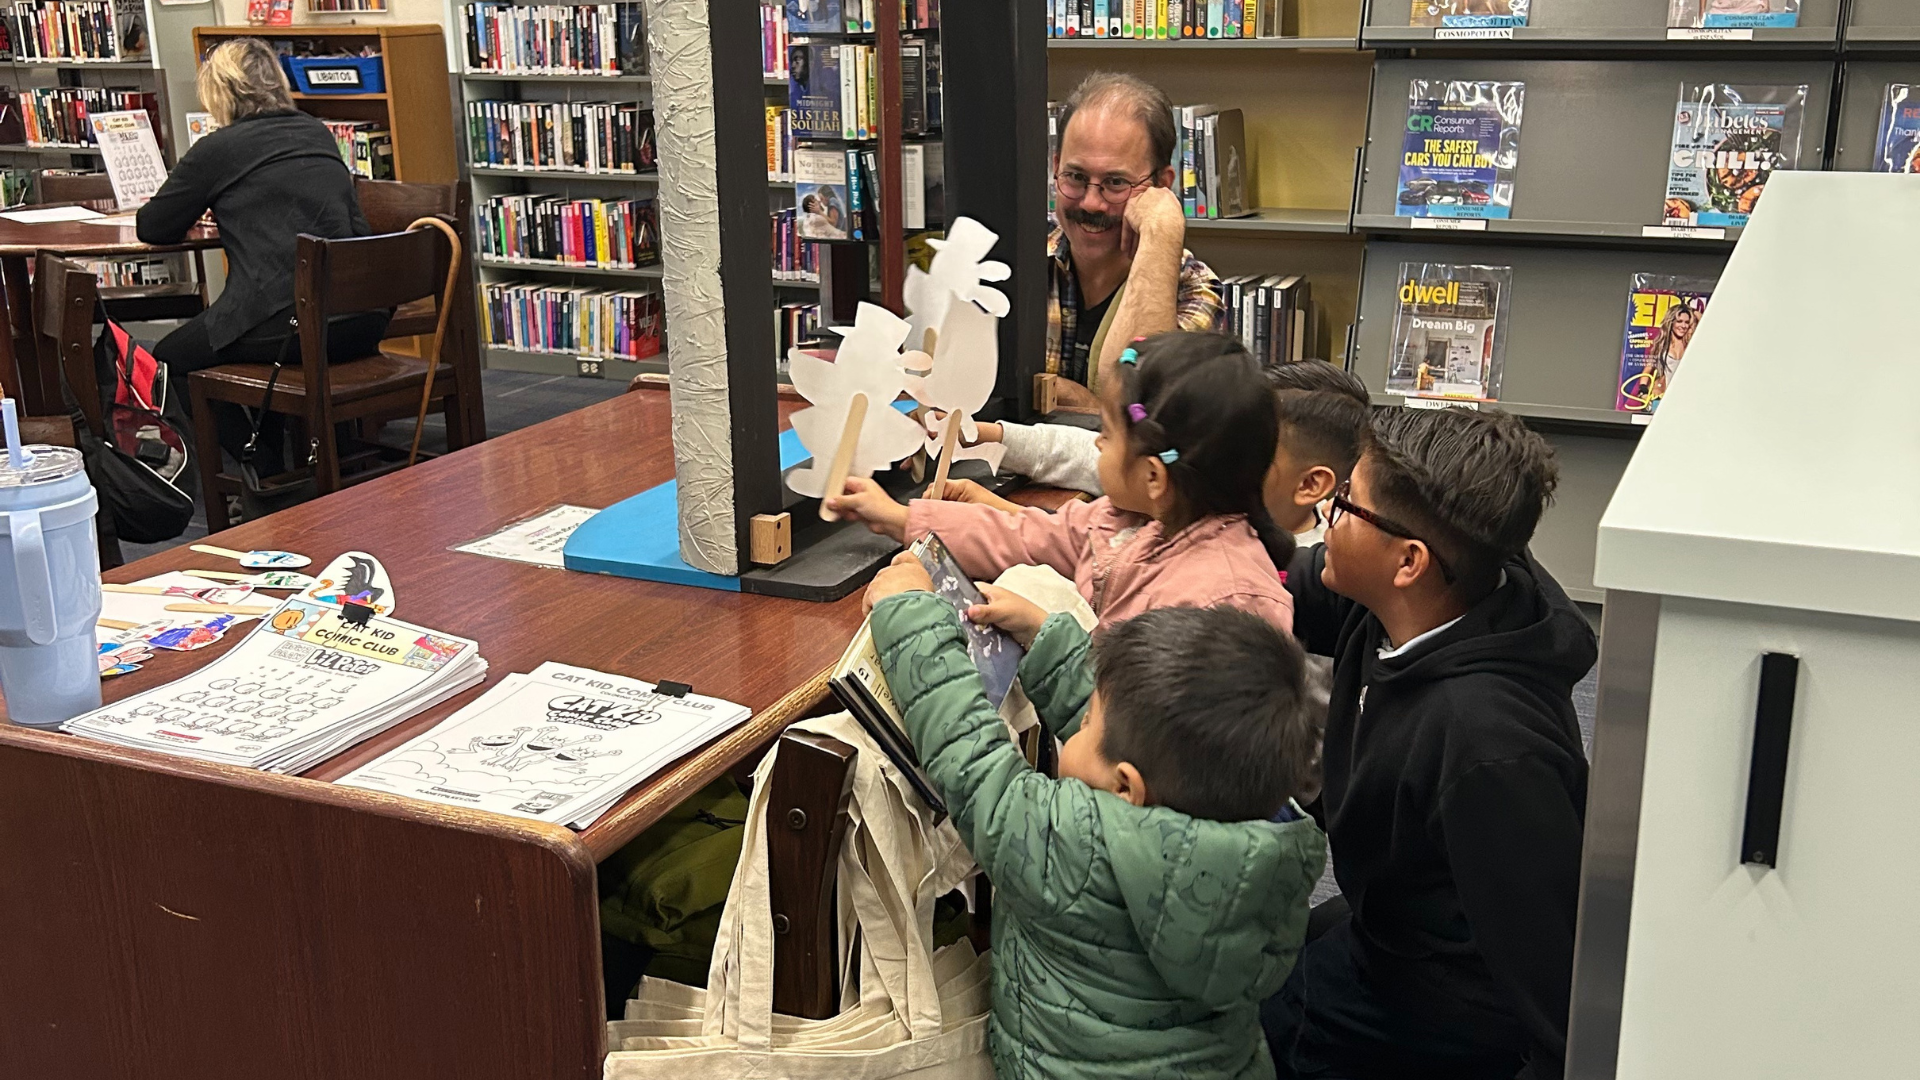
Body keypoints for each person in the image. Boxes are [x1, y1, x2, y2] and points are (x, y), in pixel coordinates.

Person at [860, 570, 1327, 1080]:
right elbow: (1148, 737)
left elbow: (971, 759)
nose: (1080, 723)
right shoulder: (1266, 843)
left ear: (1126, 788)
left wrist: (909, 614)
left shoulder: (1070, 847)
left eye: (1085, 723)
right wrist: (1046, 641)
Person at [1262, 406, 1597, 1080]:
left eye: (1344, 507)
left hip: (1442, 1008)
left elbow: (1553, 996)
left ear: (1408, 561)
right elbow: (1276, 592)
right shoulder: (1430, 591)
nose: (1327, 519)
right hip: (1389, 913)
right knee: (1258, 963)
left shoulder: (1490, 750)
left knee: (1238, 1022)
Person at [827, 331, 1294, 634]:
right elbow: (1029, 536)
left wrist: (1042, 631)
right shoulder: (1129, 521)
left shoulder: (1229, 603)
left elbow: (1141, 716)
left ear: (1153, 476)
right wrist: (898, 517)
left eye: (1107, 437)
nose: (1095, 448)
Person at [138, 38, 389, 477]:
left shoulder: (218, 149)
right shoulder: (315, 131)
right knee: (254, 319)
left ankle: (264, 467)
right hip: (362, 317)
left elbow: (153, 226)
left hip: (294, 326)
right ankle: (280, 450)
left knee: (167, 359)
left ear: (217, 91)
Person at [940, 359, 1371, 547]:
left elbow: (1101, 552)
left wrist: (997, 509)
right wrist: (987, 434)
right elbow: (1093, 456)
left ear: (1312, 484)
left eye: (1254, 448)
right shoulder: (1214, 479)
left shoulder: (1294, 576)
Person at [1047, 72, 1223, 407]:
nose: (1090, 203)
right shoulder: (1018, 262)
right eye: (1076, 177)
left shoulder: (1195, 291)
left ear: (1161, 185)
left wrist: (1163, 232)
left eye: (1115, 182)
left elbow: (1140, 420)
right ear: (1056, 168)